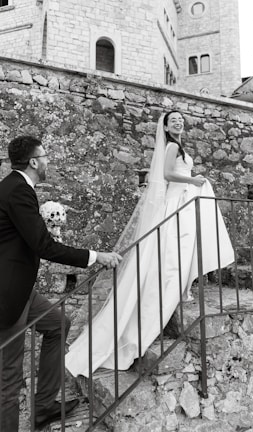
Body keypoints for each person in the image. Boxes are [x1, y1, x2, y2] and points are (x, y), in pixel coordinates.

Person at [65, 111, 234, 376]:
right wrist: (193, 180)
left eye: (180, 119)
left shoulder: (180, 146)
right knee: (173, 250)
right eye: (173, 120)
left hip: (183, 202)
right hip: (175, 203)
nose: (178, 122)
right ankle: (169, 291)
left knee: (180, 249)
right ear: (165, 126)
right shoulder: (171, 146)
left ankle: (180, 288)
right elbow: (166, 175)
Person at [0, 135, 122, 432]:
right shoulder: (17, 191)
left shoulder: (14, 187)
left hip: (21, 288)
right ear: (33, 161)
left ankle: (43, 407)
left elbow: (25, 238)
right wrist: (97, 256)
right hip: (8, 293)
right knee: (10, 378)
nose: (48, 161)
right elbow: (43, 246)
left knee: (58, 324)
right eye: (45, 156)